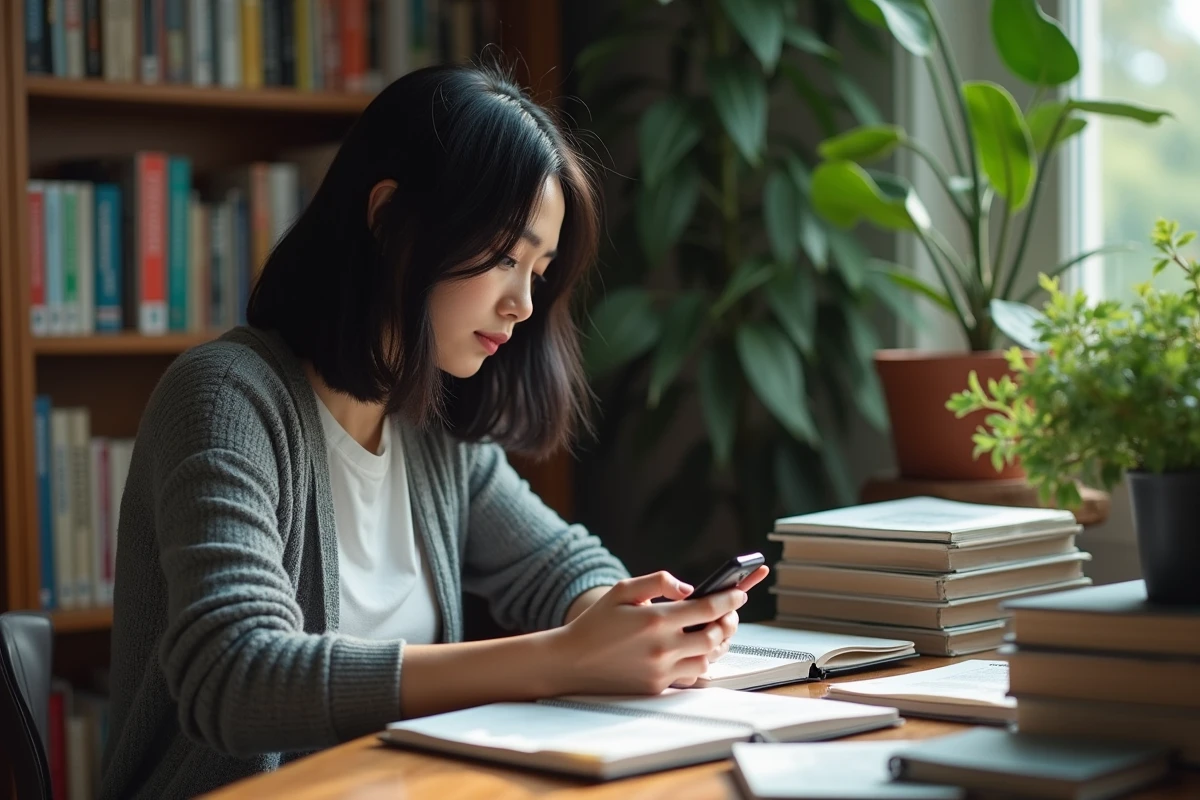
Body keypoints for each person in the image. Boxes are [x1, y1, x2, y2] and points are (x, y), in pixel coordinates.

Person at [98, 62, 769, 799]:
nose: (522, 302)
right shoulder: (227, 398)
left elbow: (556, 565)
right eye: (505, 257)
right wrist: (564, 658)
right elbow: (237, 675)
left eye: (539, 271)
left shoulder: (430, 429)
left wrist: (632, 626)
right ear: (389, 220)